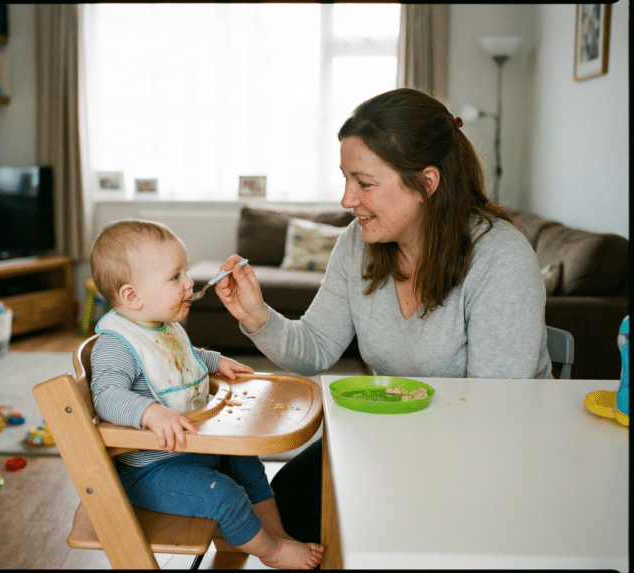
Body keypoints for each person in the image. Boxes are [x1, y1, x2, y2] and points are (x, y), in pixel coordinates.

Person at [214, 87, 552, 543]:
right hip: (394, 435)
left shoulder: (501, 257)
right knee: (292, 501)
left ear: (427, 183)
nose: (346, 200)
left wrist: (391, 461)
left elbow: (491, 411)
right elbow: (315, 347)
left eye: (365, 183)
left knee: (378, 522)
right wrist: (257, 317)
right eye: (345, 179)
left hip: (489, 453)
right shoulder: (358, 243)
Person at [88, 219, 324, 569]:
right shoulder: (116, 344)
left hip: (194, 448)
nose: (190, 282)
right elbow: (106, 394)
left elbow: (186, 356)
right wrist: (150, 412)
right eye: (175, 277)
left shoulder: (163, 327)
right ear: (131, 296)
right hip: (153, 470)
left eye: (185, 272)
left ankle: (279, 536)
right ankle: (270, 551)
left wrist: (214, 362)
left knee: (247, 463)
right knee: (224, 493)